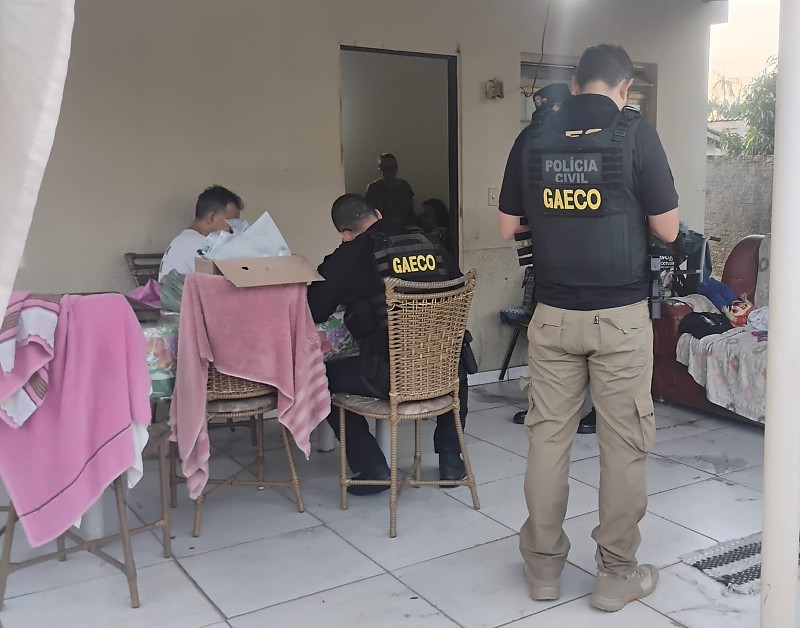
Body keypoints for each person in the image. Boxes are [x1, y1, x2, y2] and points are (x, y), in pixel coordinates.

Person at [498, 44, 680, 612]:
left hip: (552, 316)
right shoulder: (636, 134)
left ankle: (542, 569)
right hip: (620, 318)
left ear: (575, 83)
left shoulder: (533, 135)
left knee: (547, 440)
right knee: (623, 447)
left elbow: (507, 226)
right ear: (625, 87)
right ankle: (615, 575)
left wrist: (558, 210)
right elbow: (669, 229)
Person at [307, 193, 469, 494]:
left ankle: (372, 466)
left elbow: (314, 308)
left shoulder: (353, 253)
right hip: (445, 374)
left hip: (388, 376)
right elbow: (456, 287)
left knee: (318, 376)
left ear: (345, 233)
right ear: (378, 214)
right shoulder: (428, 242)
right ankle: (450, 459)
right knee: (455, 358)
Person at [158, 185, 241, 280]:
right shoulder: (201, 246)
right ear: (212, 217)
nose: (233, 230)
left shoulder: (185, 239)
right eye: (232, 221)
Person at [365, 154, 416, 227]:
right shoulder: (373, 188)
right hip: (383, 228)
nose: (390, 171)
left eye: (392, 167)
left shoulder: (404, 186)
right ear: (380, 169)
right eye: (386, 168)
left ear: (396, 168)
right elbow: (371, 215)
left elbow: (411, 211)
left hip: (404, 226)